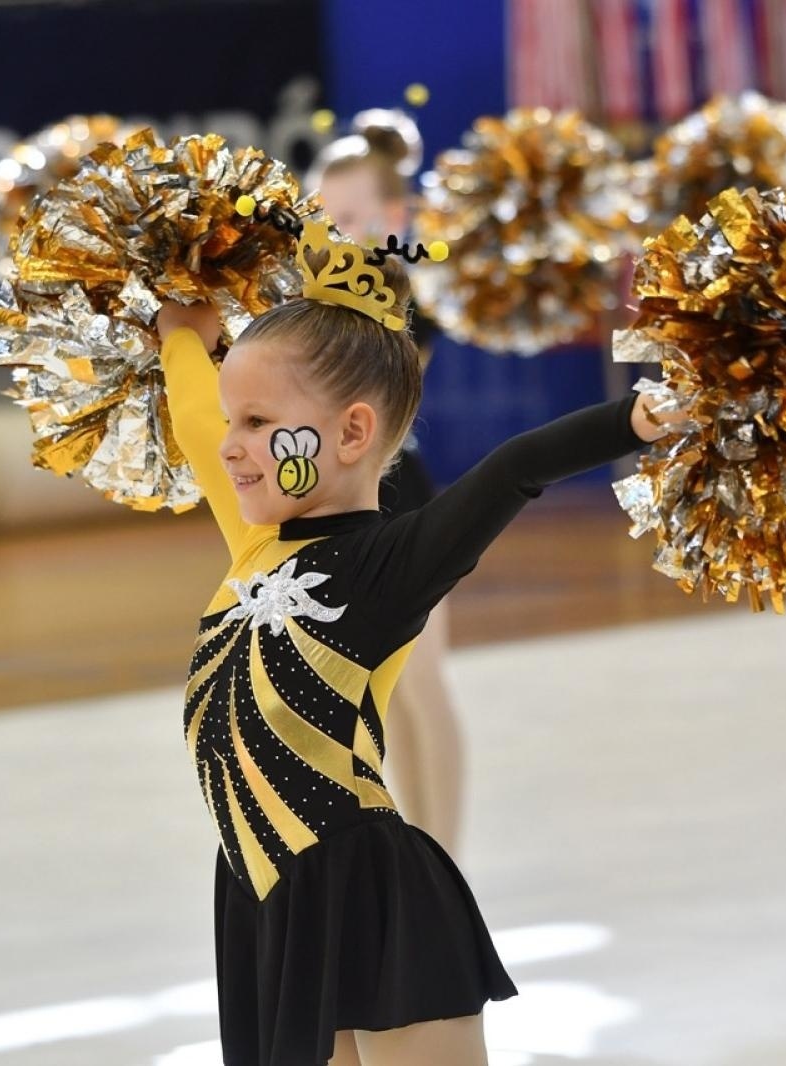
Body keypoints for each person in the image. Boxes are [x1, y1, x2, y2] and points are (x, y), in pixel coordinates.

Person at [156, 226, 671, 1066]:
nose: (230, 444)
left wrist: (636, 419)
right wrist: (182, 327)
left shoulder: (387, 565)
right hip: (267, 902)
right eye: (234, 417)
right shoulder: (257, 546)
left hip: (370, 894)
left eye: (257, 421)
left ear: (353, 433)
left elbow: (513, 470)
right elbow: (192, 413)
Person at [309, 120, 467, 855]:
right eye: (319, 216)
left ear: (393, 219)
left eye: (345, 218)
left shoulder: (404, 286)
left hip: (400, 498)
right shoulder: (311, 302)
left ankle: (446, 859)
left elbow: (384, 397)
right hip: (344, 504)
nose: (330, 233)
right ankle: (419, 856)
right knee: (383, 696)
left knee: (421, 685)